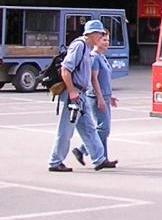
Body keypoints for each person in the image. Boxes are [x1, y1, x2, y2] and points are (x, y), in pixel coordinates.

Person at [48, 19, 114, 172]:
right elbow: (66, 69)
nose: (101, 36)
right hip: (74, 94)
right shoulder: (79, 46)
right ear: (91, 34)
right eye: (99, 34)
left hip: (81, 94)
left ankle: (99, 159)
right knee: (66, 129)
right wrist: (72, 92)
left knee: (89, 128)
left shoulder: (87, 48)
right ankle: (55, 162)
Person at [74, 29, 117, 166]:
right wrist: (99, 97)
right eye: (104, 40)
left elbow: (105, 79)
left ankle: (103, 157)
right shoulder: (94, 57)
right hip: (96, 97)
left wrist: (110, 96)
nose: (107, 43)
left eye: (108, 40)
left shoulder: (102, 56)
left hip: (105, 96)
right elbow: (94, 79)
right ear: (97, 41)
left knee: (104, 128)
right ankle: (82, 150)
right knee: (103, 128)